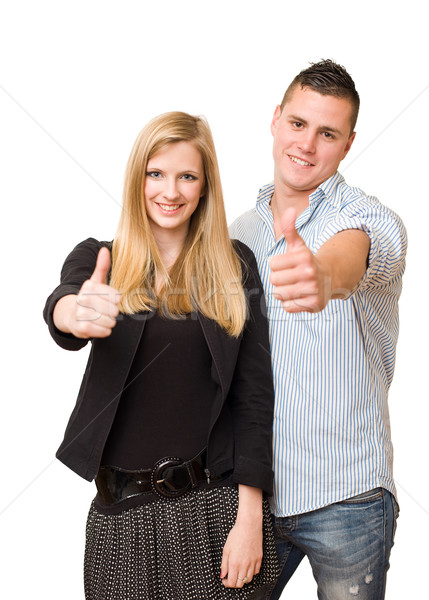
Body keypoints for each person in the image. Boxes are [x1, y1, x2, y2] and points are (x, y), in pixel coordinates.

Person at [43, 111, 279, 600]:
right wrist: (72, 312)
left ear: (204, 187)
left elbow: (253, 397)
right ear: (138, 179)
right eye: (156, 174)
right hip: (120, 525)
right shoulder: (99, 259)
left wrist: (250, 518)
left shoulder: (236, 266)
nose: (170, 191)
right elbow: (65, 302)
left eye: (186, 176)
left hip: (214, 515)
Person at [230, 60, 407, 600]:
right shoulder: (241, 232)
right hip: (255, 499)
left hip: (349, 497)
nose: (307, 144)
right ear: (277, 119)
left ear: (348, 144)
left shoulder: (368, 218)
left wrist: (322, 276)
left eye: (327, 133)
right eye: (299, 124)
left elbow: (350, 255)